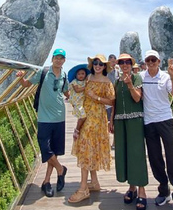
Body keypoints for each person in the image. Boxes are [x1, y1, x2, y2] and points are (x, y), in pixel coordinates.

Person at [16, 48, 70, 198]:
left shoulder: (64, 75)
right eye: (56, 57)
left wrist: (80, 92)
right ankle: (61, 170)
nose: (58, 60)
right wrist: (21, 78)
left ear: (64, 60)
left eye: (61, 58)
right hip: (44, 117)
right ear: (52, 59)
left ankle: (46, 182)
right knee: (45, 148)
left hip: (60, 116)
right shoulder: (43, 72)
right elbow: (26, 84)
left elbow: (67, 93)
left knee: (54, 150)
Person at [140, 50, 173, 210]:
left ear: (159, 62)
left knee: (172, 158)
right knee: (155, 158)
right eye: (148, 60)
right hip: (149, 122)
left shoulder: (166, 76)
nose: (151, 63)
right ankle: (164, 191)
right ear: (145, 62)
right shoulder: (141, 76)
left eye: (154, 60)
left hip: (165, 120)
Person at [69, 54, 115, 203]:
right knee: (89, 148)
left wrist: (96, 97)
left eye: (100, 64)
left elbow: (112, 101)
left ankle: (83, 188)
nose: (97, 65)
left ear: (104, 67)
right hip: (86, 114)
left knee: (86, 148)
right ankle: (94, 182)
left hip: (96, 118)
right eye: (95, 63)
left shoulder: (107, 81)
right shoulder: (88, 77)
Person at [110, 53, 148, 209]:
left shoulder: (136, 78)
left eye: (127, 62)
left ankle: (141, 191)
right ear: (118, 64)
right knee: (125, 154)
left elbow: (138, 98)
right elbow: (115, 103)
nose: (125, 64)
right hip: (120, 122)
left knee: (136, 154)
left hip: (134, 121)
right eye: (122, 62)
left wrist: (130, 85)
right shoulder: (117, 82)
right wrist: (111, 120)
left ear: (131, 64)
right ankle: (131, 187)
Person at [67, 64, 90, 140]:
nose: (81, 75)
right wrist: (86, 87)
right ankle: (77, 129)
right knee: (83, 116)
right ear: (76, 75)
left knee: (83, 116)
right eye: (79, 74)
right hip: (76, 102)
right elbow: (77, 90)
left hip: (82, 102)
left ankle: (79, 129)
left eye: (83, 74)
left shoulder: (85, 82)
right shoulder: (74, 82)